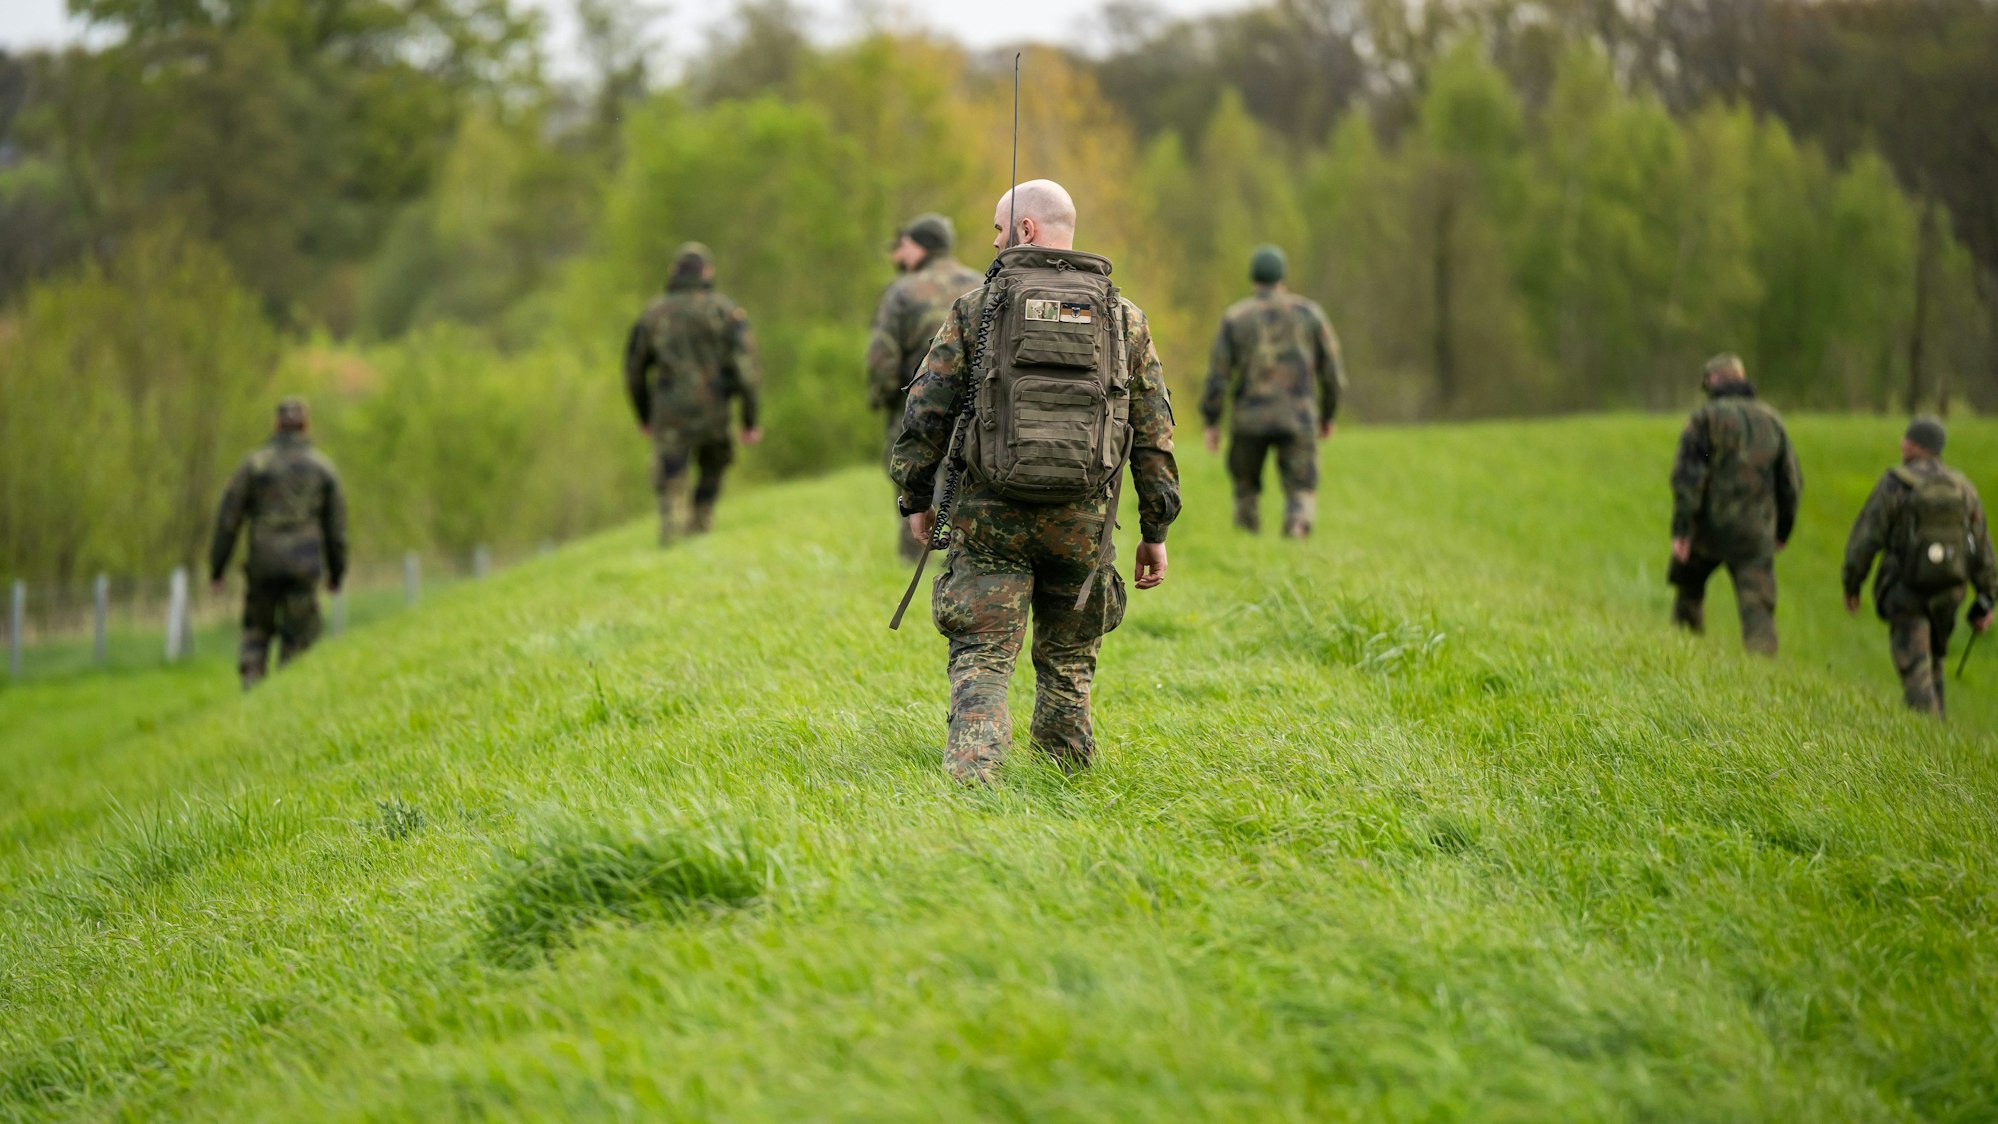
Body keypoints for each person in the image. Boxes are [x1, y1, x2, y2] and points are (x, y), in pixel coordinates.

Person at [892, 179, 1180, 785]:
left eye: (998, 229)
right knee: (1070, 660)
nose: (994, 242)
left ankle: (975, 780)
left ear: (1026, 231)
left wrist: (916, 497)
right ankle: (1066, 785)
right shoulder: (1123, 318)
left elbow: (925, 410)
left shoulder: (978, 308)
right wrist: (1154, 529)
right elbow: (1153, 433)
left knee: (982, 656)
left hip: (991, 516)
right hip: (1083, 521)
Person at [1841, 416, 1996, 716]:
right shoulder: (1963, 488)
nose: (1901, 444)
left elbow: (1866, 537)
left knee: (1916, 672)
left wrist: (1852, 583)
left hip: (1905, 590)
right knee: (1934, 663)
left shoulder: (1896, 483)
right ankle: (1940, 742)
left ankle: (1928, 746)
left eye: (1905, 439)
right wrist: (1987, 598)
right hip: (1950, 592)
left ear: (1914, 445)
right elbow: (1981, 548)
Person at [1200, 244, 1345, 537]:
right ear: (1282, 276)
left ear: (1254, 277)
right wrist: (1328, 414)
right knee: (1301, 486)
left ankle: (1246, 538)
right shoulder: (1310, 314)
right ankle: (1297, 525)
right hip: (1298, 416)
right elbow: (1332, 373)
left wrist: (1212, 420)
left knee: (1245, 487)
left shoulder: (1236, 318)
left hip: (1249, 420)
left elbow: (1219, 375)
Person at [623, 242, 763, 545]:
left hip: (669, 415)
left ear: (674, 272)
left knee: (671, 481)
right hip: (716, 413)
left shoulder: (653, 314)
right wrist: (750, 421)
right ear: (707, 272)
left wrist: (643, 414)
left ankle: (674, 536)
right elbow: (747, 371)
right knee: (712, 471)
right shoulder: (726, 312)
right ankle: (701, 525)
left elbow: (634, 370)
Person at [208, 397, 348, 689]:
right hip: (304, 563)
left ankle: (252, 687)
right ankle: (287, 695)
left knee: (257, 632)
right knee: (298, 639)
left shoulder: (254, 465)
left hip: (263, 562)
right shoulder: (322, 469)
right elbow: (336, 530)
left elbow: (228, 521)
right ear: (305, 426)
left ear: (276, 425)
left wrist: (217, 569)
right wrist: (337, 573)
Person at [1667, 353, 1802, 655]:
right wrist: (1783, 529)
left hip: (1708, 528)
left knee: (1688, 590)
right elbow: (1790, 483)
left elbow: (1689, 477)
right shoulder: (1771, 421)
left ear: (1714, 381)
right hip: (1755, 534)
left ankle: (1684, 655)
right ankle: (1763, 675)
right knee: (1758, 610)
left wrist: (1683, 529)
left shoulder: (1705, 420)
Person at [867, 214, 983, 559]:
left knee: (910, 479)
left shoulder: (902, 291)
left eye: (901, 247)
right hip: (976, 408)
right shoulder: (981, 285)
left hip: (916, 405)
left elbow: (882, 355)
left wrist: (884, 398)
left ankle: (911, 556)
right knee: (967, 481)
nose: (896, 256)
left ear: (919, 247)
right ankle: (965, 555)